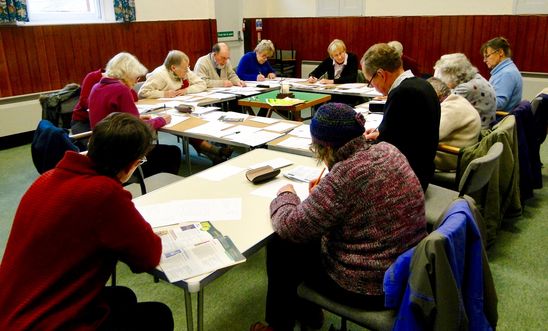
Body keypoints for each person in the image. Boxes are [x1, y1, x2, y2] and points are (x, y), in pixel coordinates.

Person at [251, 103, 427, 331]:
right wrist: (323, 198)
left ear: (325, 147)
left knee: (282, 244)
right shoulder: (387, 150)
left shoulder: (345, 175)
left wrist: (285, 195)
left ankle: (280, 325)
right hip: (407, 269)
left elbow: (290, 225)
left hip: (368, 287)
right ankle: (308, 314)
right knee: (308, 235)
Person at [0, 113, 174, 331]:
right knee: (158, 316)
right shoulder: (104, 193)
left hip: (13, 308)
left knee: (123, 296)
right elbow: (148, 256)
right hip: (44, 322)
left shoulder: (47, 178)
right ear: (130, 164)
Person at [362, 43, 440, 191]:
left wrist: (362, 143)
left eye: (371, 82)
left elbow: (387, 149)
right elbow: (409, 135)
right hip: (423, 171)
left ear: (381, 74)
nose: (374, 87)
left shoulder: (402, 93)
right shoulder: (423, 85)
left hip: (407, 181)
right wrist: (381, 133)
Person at [88, 52, 181, 177]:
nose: (137, 81)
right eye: (137, 77)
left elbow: (111, 117)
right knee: (173, 152)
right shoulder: (121, 89)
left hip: (101, 148)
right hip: (120, 151)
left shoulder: (96, 87)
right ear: (127, 74)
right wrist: (161, 120)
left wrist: (136, 117)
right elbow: (136, 129)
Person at [138, 50, 231, 163]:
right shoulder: (159, 74)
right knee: (184, 123)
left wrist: (186, 90)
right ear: (173, 68)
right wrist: (164, 94)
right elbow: (142, 92)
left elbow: (201, 84)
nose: (187, 71)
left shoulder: (184, 70)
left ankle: (213, 154)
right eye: (185, 68)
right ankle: (213, 150)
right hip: (159, 110)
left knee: (194, 120)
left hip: (178, 106)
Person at [427, 77, 481, 171]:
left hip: (450, 160)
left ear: (436, 95)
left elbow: (429, 136)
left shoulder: (451, 108)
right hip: (457, 156)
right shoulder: (456, 101)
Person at [433, 53, 497, 128]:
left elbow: (442, 111)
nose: (443, 81)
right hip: (486, 127)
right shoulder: (477, 78)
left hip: (477, 133)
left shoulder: (465, 89)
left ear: (452, 75)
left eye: (443, 76)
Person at [481, 36, 523, 112]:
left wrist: (477, 100)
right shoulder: (506, 69)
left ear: (500, 52)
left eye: (487, 56)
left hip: (498, 120)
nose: (484, 60)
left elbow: (499, 104)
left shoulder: (506, 73)